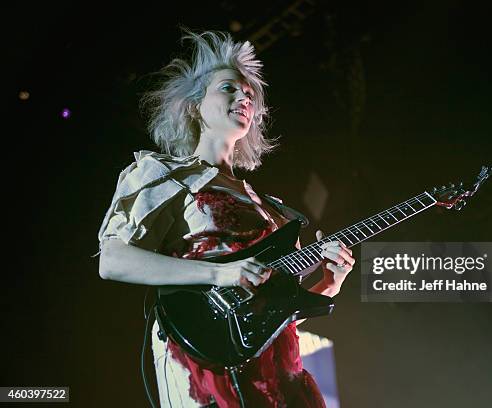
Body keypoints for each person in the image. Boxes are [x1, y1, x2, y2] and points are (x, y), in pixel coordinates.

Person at [97, 29, 355, 408]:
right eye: (228, 89)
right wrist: (222, 274)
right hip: (203, 366)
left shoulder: (273, 209)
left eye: (249, 94)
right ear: (193, 106)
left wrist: (329, 283)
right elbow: (113, 260)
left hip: (278, 371)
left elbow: (269, 317)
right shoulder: (162, 174)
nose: (244, 97)